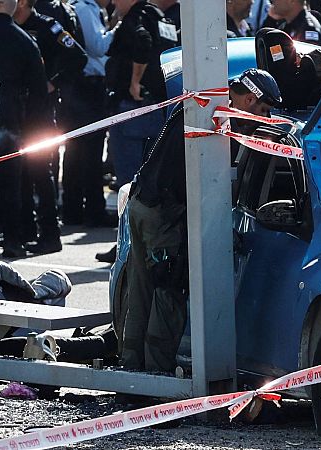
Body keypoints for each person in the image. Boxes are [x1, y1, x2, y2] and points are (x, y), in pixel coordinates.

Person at [120, 69, 281, 372]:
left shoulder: (199, 102)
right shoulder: (218, 118)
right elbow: (215, 178)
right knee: (170, 290)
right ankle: (157, 376)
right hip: (163, 215)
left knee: (142, 291)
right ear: (249, 98)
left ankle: (132, 372)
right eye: (263, 110)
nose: (266, 118)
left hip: (142, 201)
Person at [0, 0, 49, 257]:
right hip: (12, 121)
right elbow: (39, 92)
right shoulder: (25, 40)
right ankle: (13, 242)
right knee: (11, 189)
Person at [14, 0, 88, 253]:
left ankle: (49, 234)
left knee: (40, 172)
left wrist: (53, 83)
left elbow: (78, 57)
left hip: (41, 111)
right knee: (19, 171)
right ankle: (24, 230)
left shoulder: (48, 26)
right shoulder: (9, 26)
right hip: (16, 108)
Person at [105, 0, 177, 188]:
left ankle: (130, 218)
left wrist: (135, 81)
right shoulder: (160, 18)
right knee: (151, 181)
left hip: (133, 107)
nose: (114, 2)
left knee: (129, 183)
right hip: (157, 106)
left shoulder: (135, 18)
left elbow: (143, 40)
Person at [67, 0, 115, 227]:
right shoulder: (85, 8)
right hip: (87, 87)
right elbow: (97, 46)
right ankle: (90, 210)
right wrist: (117, 30)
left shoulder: (91, 8)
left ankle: (75, 209)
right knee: (88, 152)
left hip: (87, 87)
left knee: (80, 151)